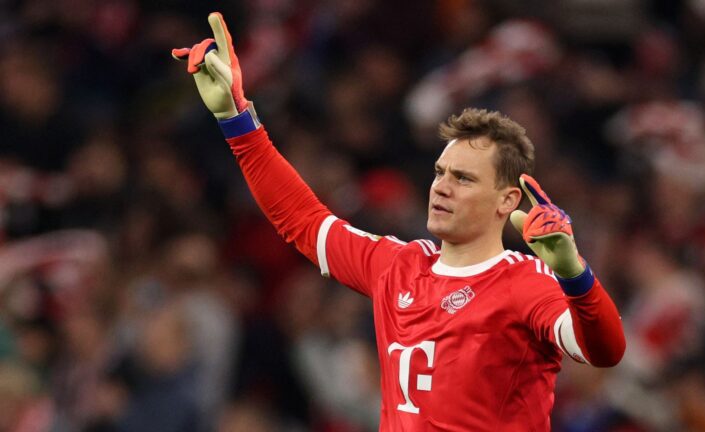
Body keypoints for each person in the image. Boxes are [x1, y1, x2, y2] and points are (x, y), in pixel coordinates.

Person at [172, 12, 626, 431]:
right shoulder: (397, 265)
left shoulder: (526, 282)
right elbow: (302, 220)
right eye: (440, 173)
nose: (441, 187)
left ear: (506, 200)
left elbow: (604, 351)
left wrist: (574, 273)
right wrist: (235, 118)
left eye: (463, 178)